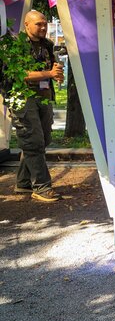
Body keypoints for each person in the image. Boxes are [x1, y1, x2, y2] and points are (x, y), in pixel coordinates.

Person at [9, 11, 64, 202]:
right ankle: (42, 187)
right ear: (26, 25)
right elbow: (19, 74)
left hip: (44, 96)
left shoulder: (47, 44)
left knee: (44, 139)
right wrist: (49, 74)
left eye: (45, 24)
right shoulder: (16, 45)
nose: (43, 27)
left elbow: (52, 68)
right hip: (23, 98)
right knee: (33, 141)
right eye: (38, 24)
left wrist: (56, 73)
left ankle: (24, 183)